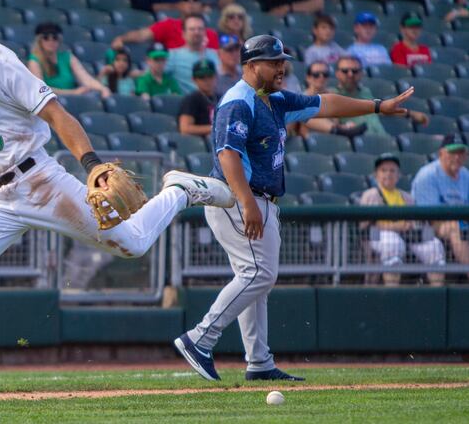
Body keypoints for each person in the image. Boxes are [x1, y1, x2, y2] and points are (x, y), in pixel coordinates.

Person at [0, 0, 235, 387]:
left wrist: (92, 164)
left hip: (37, 180)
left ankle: (179, 190)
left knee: (132, 243)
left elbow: (55, 113)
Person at [174, 34, 419, 382]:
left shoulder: (274, 99)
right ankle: (200, 337)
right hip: (236, 197)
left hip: (257, 198)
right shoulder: (238, 101)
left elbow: (326, 104)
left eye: (281, 60)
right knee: (258, 275)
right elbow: (227, 154)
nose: (281, 66)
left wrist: (377, 106)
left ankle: (258, 362)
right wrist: (247, 203)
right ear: (252, 65)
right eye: (273, 61)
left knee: (255, 280)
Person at [360, 153, 446, 286]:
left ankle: (439, 293)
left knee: (434, 245)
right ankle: (392, 291)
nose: (388, 174)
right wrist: (396, 226)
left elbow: (417, 222)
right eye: (383, 170)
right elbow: (366, 226)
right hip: (379, 237)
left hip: (408, 236)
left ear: (398, 175)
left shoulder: (407, 197)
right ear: (376, 175)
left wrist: (412, 225)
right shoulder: (370, 195)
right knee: (393, 242)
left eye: (392, 170)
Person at [331, 55, 428, 135]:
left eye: (355, 71)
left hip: (382, 139)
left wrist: (411, 114)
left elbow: (383, 109)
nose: (350, 74)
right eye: (345, 71)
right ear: (337, 74)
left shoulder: (365, 91)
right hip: (360, 143)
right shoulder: (333, 95)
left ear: (361, 73)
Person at [412, 135, 469, 268]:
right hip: (426, 228)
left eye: (461, 153)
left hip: (460, 222)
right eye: (453, 153)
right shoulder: (427, 175)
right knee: (456, 227)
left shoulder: (465, 175)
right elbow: (432, 217)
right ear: (441, 153)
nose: (457, 157)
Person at [111, 0, 219, 52]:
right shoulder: (168, 25)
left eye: (195, 0)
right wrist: (121, 39)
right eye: (186, 0)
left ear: (201, 5)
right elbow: (142, 35)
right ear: (179, 5)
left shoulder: (210, 34)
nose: (190, 3)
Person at [28, 22, 111, 99]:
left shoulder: (68, 57)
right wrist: (72, 92)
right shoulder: (34, 61)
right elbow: (41, 89)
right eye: (46, 38)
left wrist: (103, 88)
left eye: (55, 37)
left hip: (71, 99)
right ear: (39, 41)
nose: (51, 41)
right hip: (50, 102)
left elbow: (86, 79)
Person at [291, 61, 366, 137]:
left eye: (325, 74)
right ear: (308, 77)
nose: (321, 77)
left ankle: (342, 129)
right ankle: (341, 130)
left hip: (332, 140)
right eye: (316, 75)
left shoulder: (333, 96)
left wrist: (348, 124)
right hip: (310, 140)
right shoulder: (301, 98)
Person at [167, 15, 219, 94]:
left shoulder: (216, 55)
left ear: (205, 32)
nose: (196, 32)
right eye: (192, 29)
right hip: (187, 102)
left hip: (214, 101)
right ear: (183, 33)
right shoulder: (172, 55)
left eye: (200, 29)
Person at [178, 59, 217, 136]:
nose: (207, 80)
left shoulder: (220, 97)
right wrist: (214, 128)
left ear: (215, 77)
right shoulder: (192, 99)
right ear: (194, 79)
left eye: (209, 76)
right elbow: (185, 129)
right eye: (201, 77)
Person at [215, 34, 242, 99]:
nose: (234, 54)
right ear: (219, 53)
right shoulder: (213, 77)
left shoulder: (245, 73)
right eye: (229, 50)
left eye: (237, 49)